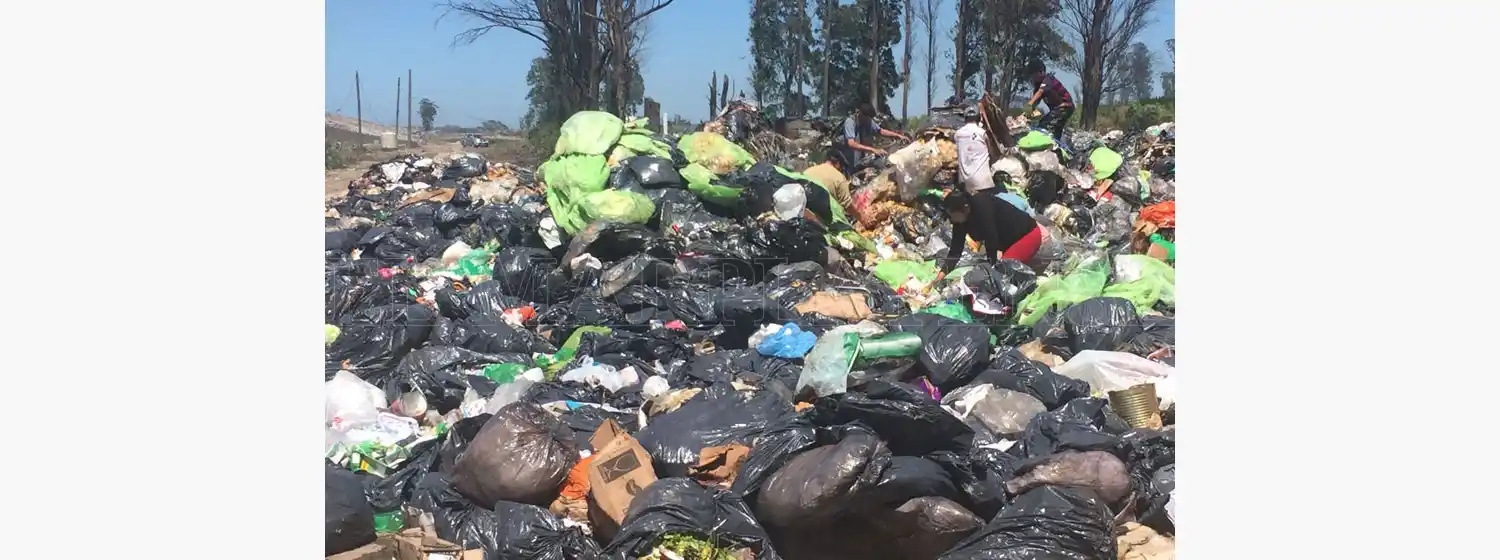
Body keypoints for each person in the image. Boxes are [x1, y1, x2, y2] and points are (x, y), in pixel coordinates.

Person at [934, 190, 1044, 282]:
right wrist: (939, 277)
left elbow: (991, 238)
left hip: (1027, 236)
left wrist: (992, 268)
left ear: (965, 208)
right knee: (997, 275)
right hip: (1008, 243)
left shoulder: (981, 204)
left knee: (1001, 275)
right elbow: (955, 251)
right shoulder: (959, 220)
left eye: (952, 215)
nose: (951, 220)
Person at [837, 102, 910, 168]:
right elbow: (851, 143)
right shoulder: (850, 122)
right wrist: (873, 150)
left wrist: (898, 136)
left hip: (861, 155)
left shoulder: (868, 121)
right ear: (860, 114)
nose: (868, 120)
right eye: (867, 117)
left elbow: (880, 131)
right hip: (849, 155)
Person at [1022, 60, 1075, 145]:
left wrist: (1029, 104)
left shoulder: (1048, 79)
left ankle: (1047, 143)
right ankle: (1057, 146)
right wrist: (1025, 114)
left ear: (1041, 72)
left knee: (1044, 124)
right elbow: (1036, 101)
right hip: (1058, 109)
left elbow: (1040, 93)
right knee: (1056, 129)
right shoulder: (1038, 86)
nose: (1032, 78)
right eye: (1031, 76)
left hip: (1065, 106)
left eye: (1034, 75)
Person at [955, 105, 997, 195]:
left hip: (965, 182)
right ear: (979, 118)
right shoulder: (982, 133)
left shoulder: (957, 134)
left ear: (965, 118)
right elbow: (992, 153)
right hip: (982, 182)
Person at [802, 149, 854, 215]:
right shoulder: (839, 177)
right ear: (838, 163)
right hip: (824, 217)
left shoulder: (807, 171)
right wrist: (862, 218)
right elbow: (848, 205)